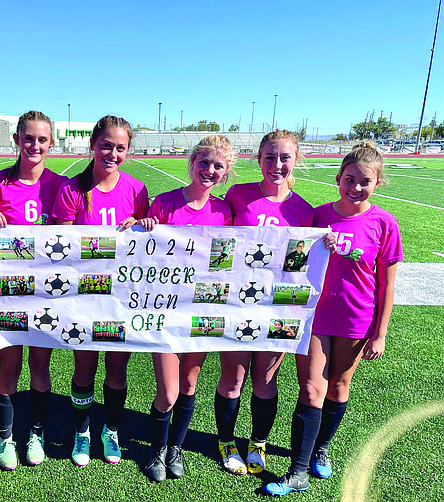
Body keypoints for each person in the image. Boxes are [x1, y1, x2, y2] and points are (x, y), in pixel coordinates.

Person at [264, 142, 403, 495]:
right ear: (339, 178)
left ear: (377, 183)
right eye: (350, 179)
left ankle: (320, 447)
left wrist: (380, 333)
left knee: (339, 388)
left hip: (356, 317)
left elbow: (387, 284)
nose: (355, 188)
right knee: (312, 389)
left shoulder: (384, 222)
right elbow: (290, 258)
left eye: (365, 182)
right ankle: (297, 472)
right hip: (312, 316)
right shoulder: (318, 215)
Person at [215, 129, 314, 476]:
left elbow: (302, 265)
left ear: (296, 160)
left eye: (285, 157)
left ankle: (258, 442)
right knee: (233, 378)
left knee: (265, 380)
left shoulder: (304, 210)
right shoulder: (237, 195)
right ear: (258, 160)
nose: (277, 164)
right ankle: (226, 441)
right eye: (270, 157)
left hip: (279, 306)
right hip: (237, 304)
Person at [52, 115, 149, 467]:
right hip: (84, 297)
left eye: (120, 147)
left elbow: (146, 243)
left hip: (121, 297)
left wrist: (143, 224)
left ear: (127, 151)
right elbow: (57, 246)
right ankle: (82, 433)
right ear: (93, 145)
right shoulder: (72, 190)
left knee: (117, 370)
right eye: (106, 145)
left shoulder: (137, 190)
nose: (112, 153)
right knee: (84, 368)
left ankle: (111, 430)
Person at [137, 135, 234, 481]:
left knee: (190, 384)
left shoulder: (224, 211)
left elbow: (228, 259)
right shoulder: (163, 203)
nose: (210, 170)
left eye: (218, 166)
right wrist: (145, 229)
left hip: (204, 306)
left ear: (225, 172)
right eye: (204, 162)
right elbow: (147, 254)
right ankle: (156, 451)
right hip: (165, 308)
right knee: (168, 390)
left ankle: (175, 448)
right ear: (192, 162)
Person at [0, 110, 68, 469]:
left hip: (47, 293)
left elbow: (71, 238)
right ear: (17, 139)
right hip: (12, 292)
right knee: (10, 368)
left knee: (41, 367)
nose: (35, 145)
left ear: (51, 143)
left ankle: (36, 434)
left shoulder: (60, 186)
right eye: (28, 138)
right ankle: (5, 438)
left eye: (42, 139)